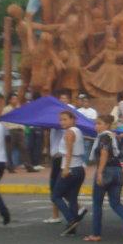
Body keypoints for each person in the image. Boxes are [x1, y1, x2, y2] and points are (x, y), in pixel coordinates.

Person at [83, 114, 123, 242]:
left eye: (99, 123)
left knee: (97, 203)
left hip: (106, 171)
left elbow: (104, 153)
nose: (96, 126)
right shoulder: (113, 136)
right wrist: (120, 137)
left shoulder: (104, 137)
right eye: (96, 123)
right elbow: (116, 144)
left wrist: (100, 172)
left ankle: (96, 234)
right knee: (115, 203)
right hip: (118, 171)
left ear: (107, 125)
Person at [52, 109, 89, 236]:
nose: (62, 122)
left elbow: (69, 152)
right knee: (72, 198)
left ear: (73, 120)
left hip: (71, 168)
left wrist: (66, 168)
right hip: (79, 168)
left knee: (56, 196)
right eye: (60, 120)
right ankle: (72, 229)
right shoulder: (78, 131)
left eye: (65, 119)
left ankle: (71, 219)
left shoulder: (69, 132)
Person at [44, 89, 75, 224]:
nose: (63, 101)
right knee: (59, 187)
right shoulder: (54, 114)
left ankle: (61, 215)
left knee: (56, 188)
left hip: (61, 155)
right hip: (56, 154)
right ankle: (60, 213)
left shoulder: (70, 113)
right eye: (61, 99)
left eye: (65, 99)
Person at [0, 93, 38, 172]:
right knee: (9, 150)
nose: (15, 100)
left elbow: (22, 118)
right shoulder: (6, 109)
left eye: (16, 99)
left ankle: (28, 166)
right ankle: (10, 167)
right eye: (13, 99)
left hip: (20, 130)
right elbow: (3, 121)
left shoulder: (19, 108)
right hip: (11, 130)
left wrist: (23, 128)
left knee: (24, 148)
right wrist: (6, 132)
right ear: (9, 100)